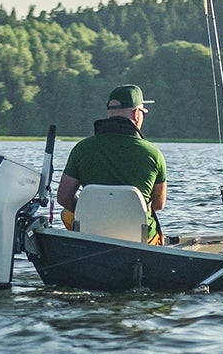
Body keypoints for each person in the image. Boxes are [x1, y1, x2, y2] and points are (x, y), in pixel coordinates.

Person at [56, 83, 167, 243]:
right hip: (140, 238)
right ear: (136, 114)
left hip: (92, 232)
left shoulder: (82, 148)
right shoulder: (153, 154)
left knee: (67, 214)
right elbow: (158, 205)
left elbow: (63, 197)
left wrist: (93, 212)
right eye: (143, 113)